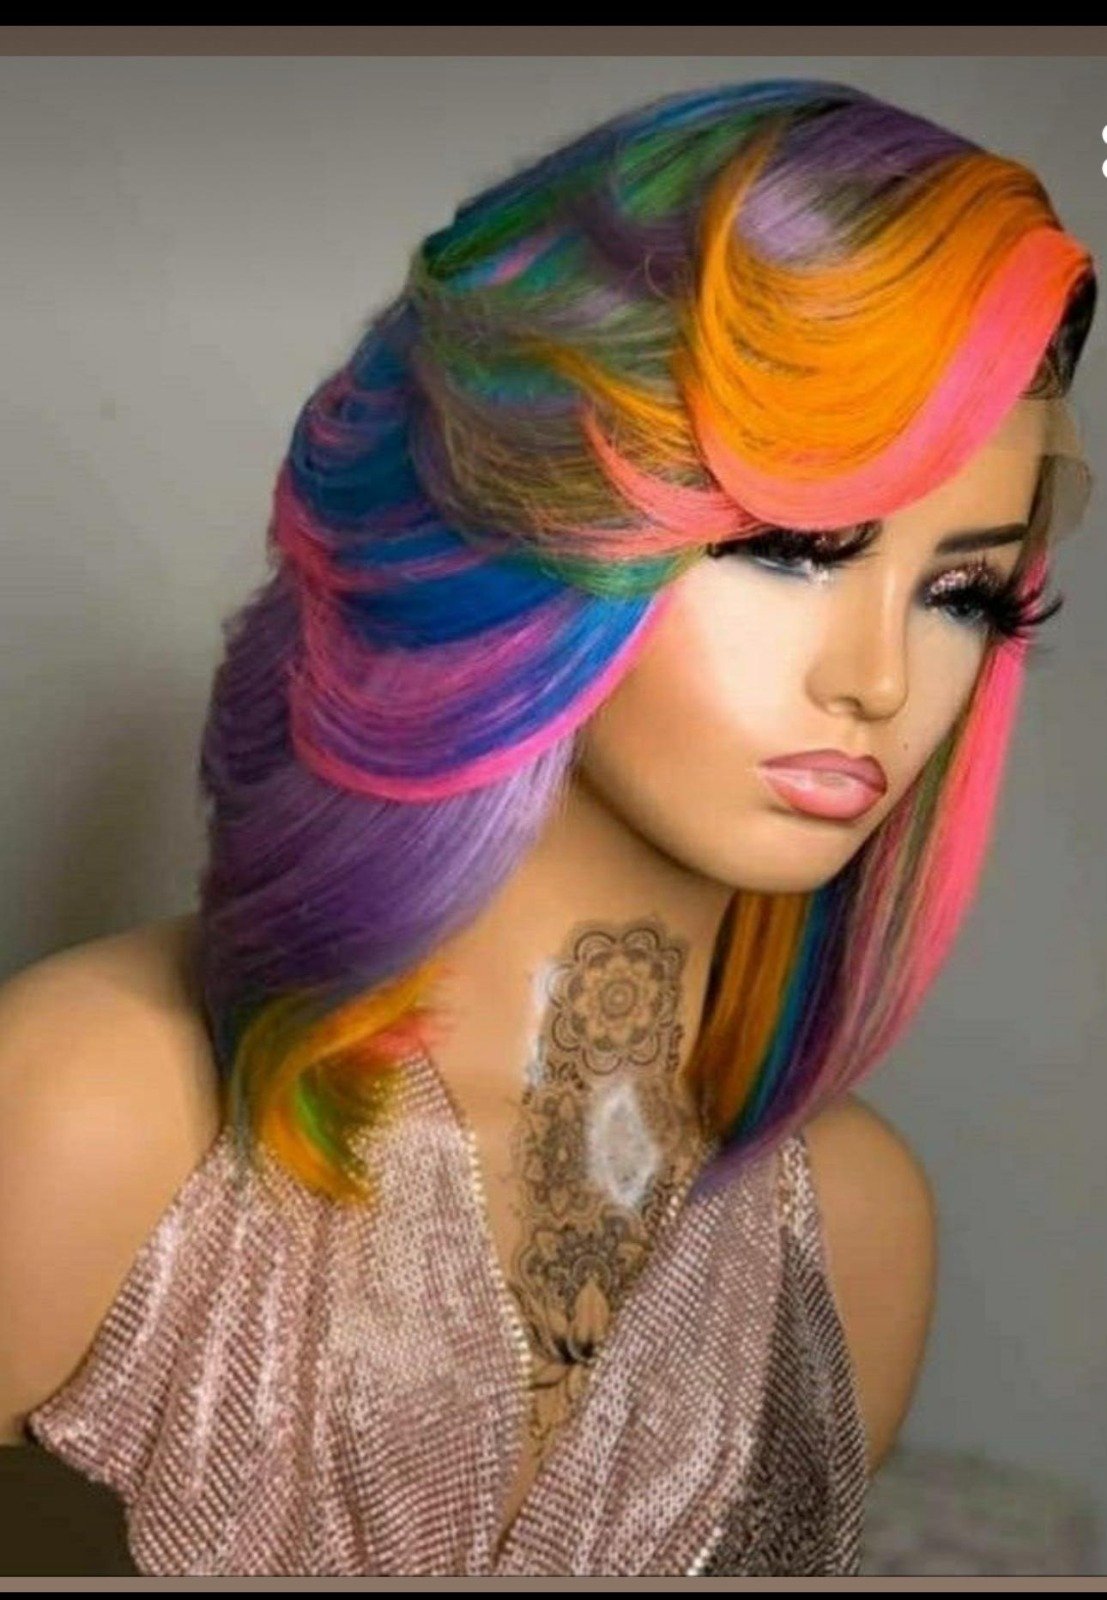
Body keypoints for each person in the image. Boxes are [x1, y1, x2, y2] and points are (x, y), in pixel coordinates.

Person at [0, 78, 1096, 1577]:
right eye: (787, 549)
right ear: (532, 531)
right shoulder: (95, 1109)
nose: (882, 681)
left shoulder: (856, 1232)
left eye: (964, 593)